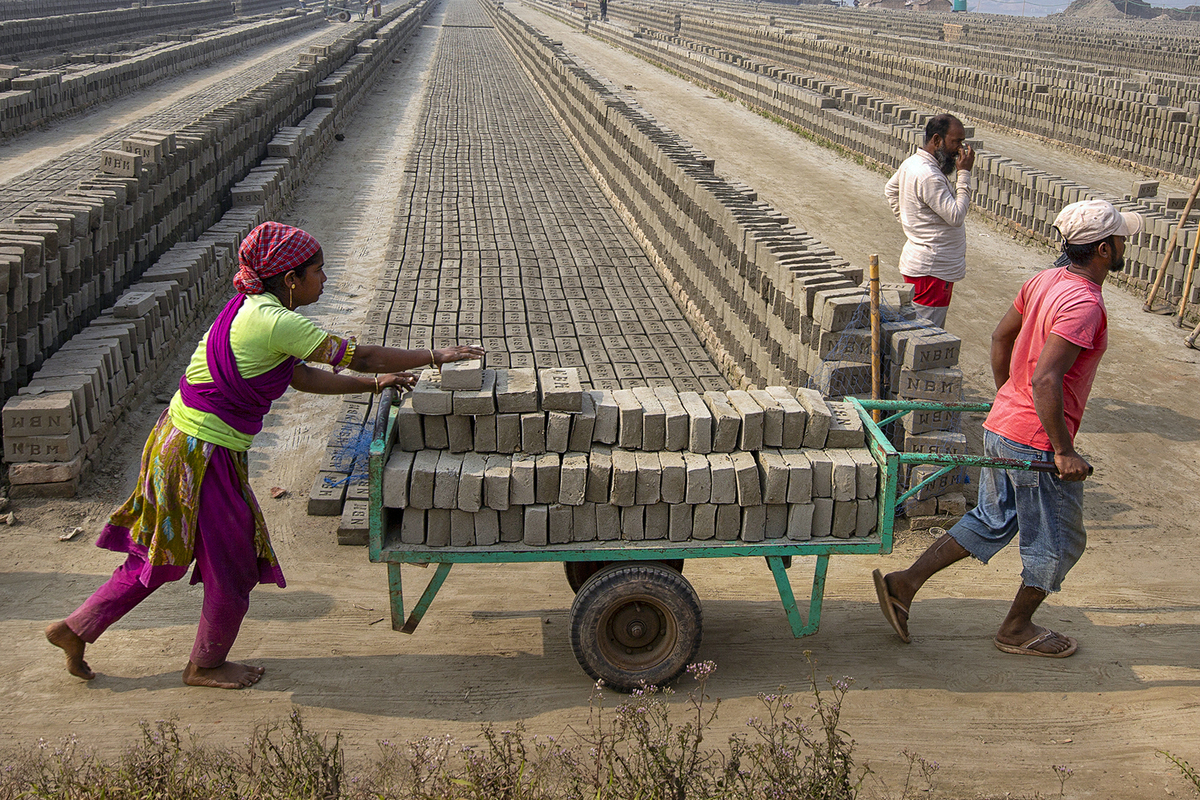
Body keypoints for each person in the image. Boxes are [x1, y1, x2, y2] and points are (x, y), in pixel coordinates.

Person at [46, 221, 483, 689]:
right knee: (232, 566)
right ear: (290, 280)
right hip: (200, 455)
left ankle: (75, 629)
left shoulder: (250, 308)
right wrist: (435, 356)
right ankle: (204, 665)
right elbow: (363, 356)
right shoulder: (279, 321)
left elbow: (299, 377)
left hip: (179, 441)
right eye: (317, 271)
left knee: (163, 555)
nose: (324, 280)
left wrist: (372, 387)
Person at [873, 198, 1141, 658]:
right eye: (1119, 239)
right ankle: (1016, 628)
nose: (1124, 244)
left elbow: (1001, 337)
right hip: (1036, 441)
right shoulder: (1083, 303)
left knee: (994, 518)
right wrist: (1062, 450)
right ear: (1102, 249)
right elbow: (1046, 378)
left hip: (1006, 424)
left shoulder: (1044, 280)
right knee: (1060, 541)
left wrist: (1008, 398)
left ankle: (904, 583)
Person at [884, 113, 975, 327]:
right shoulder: (930, 176)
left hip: (926, 264)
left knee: (922, 329)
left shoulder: (912, 163)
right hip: (932, 270)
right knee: (925, 333)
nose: (961, 150)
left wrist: (913, 224)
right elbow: (956, 216)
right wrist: (964, 175)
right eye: (956, 142)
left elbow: (890, 190)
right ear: (937, 140)